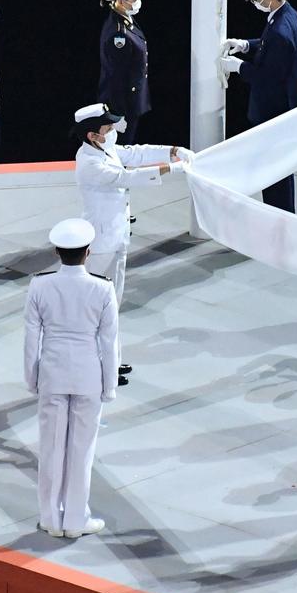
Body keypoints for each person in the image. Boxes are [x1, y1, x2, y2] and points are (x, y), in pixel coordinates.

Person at [72, 103, 192, 386]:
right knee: (99, 308)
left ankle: (109, 359)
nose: (113, 130)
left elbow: (136, 152)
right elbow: (127, 177)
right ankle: (96, 366)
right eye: (107, 127)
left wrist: (172, 150)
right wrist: (171, 170)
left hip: (117, 237)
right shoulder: (90, 163)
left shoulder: (105, 147)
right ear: (92, 135)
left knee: (112, 305)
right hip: (102, 243)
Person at [25, 218, 117, 538]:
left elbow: (31, 338)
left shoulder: (40, 285)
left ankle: (51, 518)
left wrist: (31, 377)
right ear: (88, 252)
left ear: (56, 251)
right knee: (82, 450)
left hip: (52, 373)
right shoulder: (103, 287)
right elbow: (109, 341)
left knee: (50, 449)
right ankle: (76, 520)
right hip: (88, 374)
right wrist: (110, 386)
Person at [219, 0, 297, 213]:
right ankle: (282, 216)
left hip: (274, 110)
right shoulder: (288, 15)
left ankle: (279, 218)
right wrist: (246, 45)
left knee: (273, 172)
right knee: (280, 170)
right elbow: (270, 48)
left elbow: (267, 77)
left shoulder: (280, 30)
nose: (256, 4)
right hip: (285, 106)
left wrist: (239, 67)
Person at [99, 0, 150, 143]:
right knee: (121, 152)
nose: (137, 1)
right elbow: (117, 77)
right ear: (120, 2)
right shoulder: (118, 35)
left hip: (132, 102)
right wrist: (117, 115)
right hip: (123, 105)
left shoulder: (126, 20)